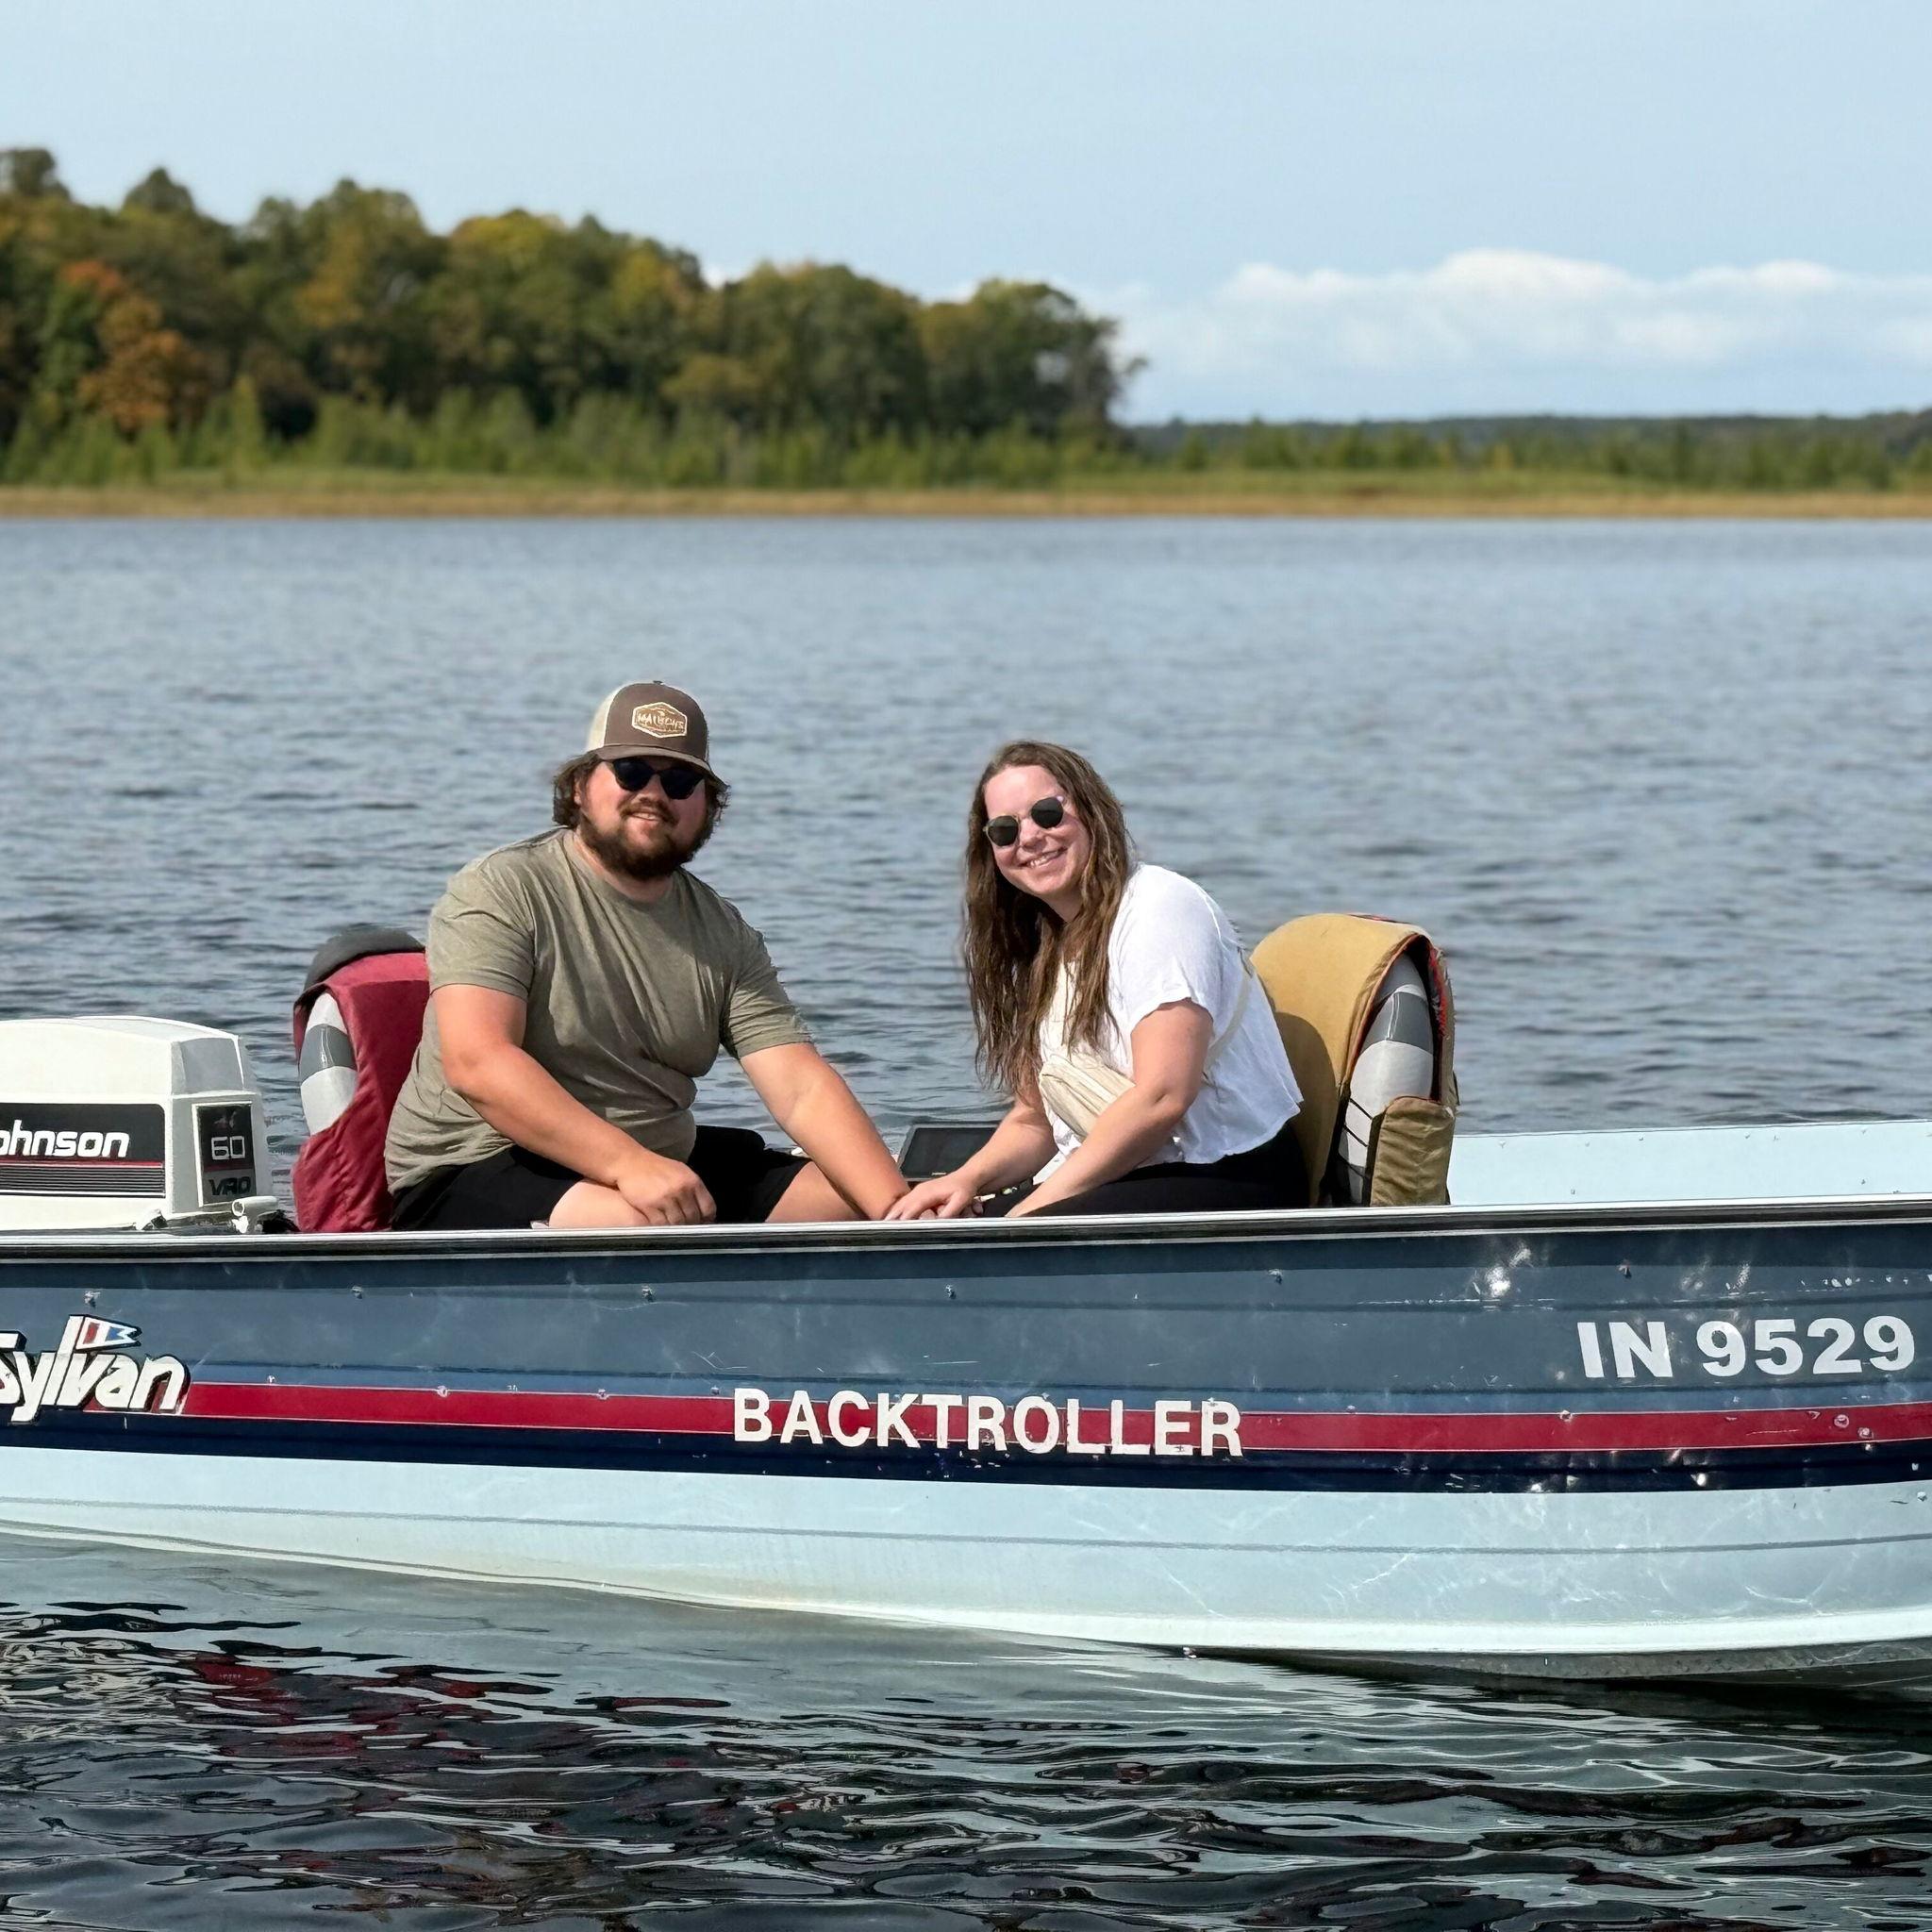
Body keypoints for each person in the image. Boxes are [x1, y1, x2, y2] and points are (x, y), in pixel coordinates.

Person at [386, 681, 908, 1230]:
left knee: (858, 1198)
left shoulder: (725, 933)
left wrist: (901, 1213)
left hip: (654, 1166)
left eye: (680, 780)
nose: (655, 793)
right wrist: (627, 1164)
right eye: (632, 771)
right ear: (581, 786)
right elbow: (479, 1064)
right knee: (637, 1224)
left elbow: (800, 1088)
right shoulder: (500, 889)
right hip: (479, 1161)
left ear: (706, 805)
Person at [887, 740, 1304, 1220]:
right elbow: (1034, 1122)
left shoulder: (1159, 908)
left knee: (1002, 1240)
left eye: (1046, 813)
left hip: (1225, 1171)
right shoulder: (1047, 946)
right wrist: (965, 1181)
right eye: (1003, 830)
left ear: (1092, 810)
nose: (1028, 838)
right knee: (949, 1224)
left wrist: (1025, 1215)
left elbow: (1162, 1098)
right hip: (1136, 1167)